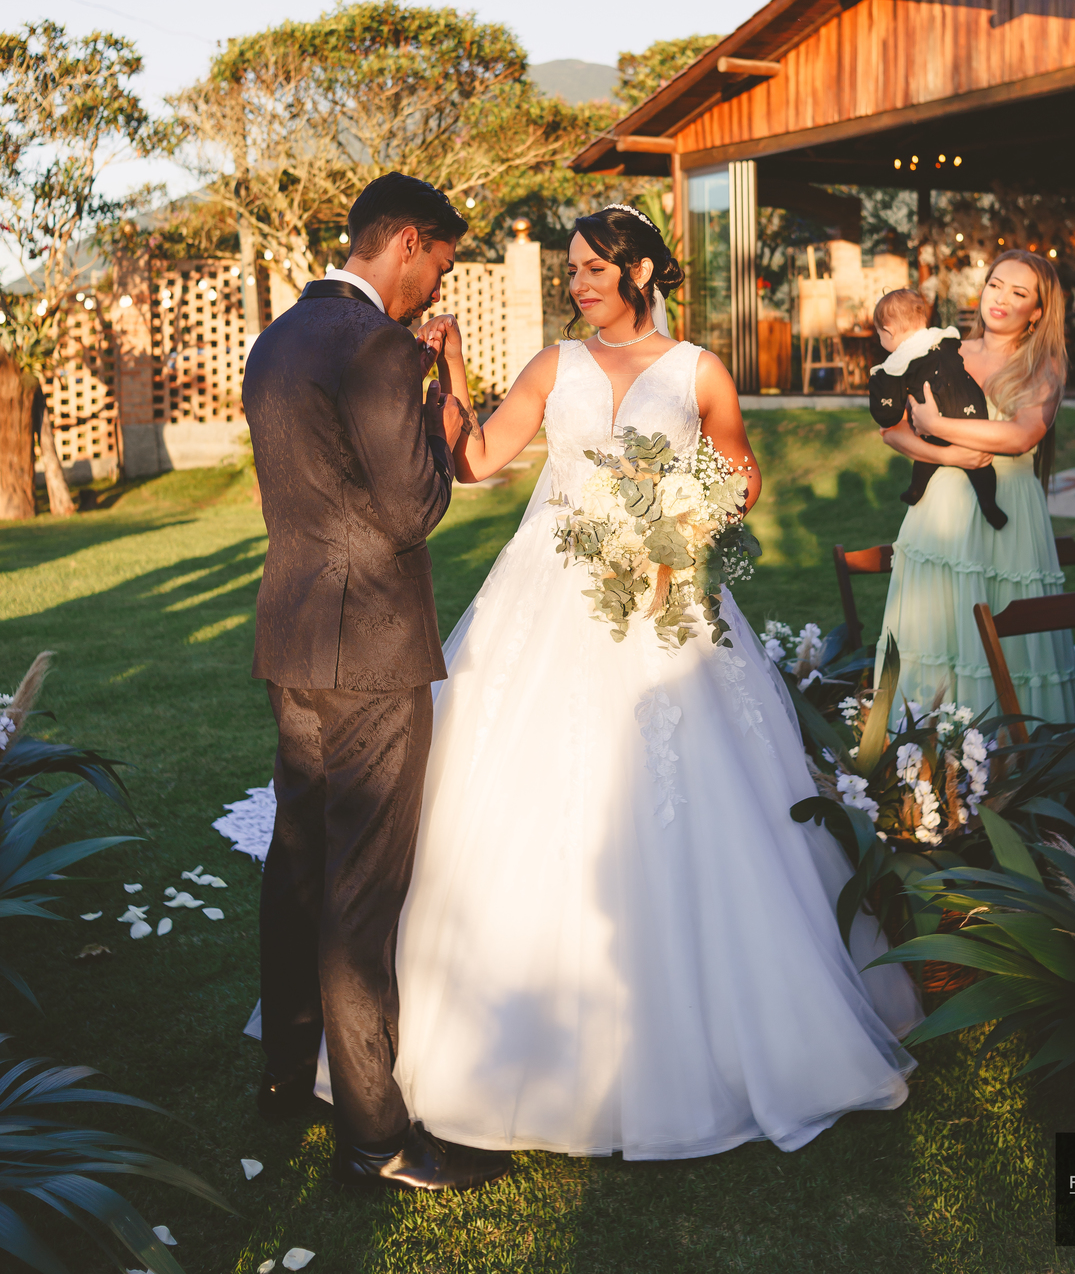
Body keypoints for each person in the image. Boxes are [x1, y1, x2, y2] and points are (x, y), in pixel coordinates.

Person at [388, 204, 921, 1161]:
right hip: (549, 589)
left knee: (697, 792)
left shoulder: (696, 369)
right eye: (572, 270)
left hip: (666, 595)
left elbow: (741, 473)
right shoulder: (554, 365)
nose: (578, 284)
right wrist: (453, 372)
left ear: (638, 272)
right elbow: (476, 461)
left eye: (593, 268)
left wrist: (686, 523)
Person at [241, 173, 510, 1196]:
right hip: (371, 655)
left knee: (298, 861)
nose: (438, 282)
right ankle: (376, 1139)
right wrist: (439, 395)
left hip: (293, 636)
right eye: (440, 260)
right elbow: (413, 511)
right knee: (362, 888)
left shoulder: (276, 339)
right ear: (405, 242)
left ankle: (284, 1073)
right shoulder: (382, 349)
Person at [874, 251, 1075, 724]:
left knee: (1009, 629)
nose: (1001, 299)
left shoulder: (1043, 364)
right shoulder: (941, 350)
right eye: (995, 285)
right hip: (940, 510)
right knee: (937, 629)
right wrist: (950, 454)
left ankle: (1014, 754)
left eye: (1019, 293)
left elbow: (1022, 435)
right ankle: (931, 752)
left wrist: (938, 425)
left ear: (1038, 311)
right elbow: (892, 430)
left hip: (1010, 513)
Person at [867, 288, 1007, 529]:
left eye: (880, 336)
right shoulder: (942, 337)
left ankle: (916, 489)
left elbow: (889, 412)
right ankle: (989, 504)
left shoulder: (899, 359)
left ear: (888, 331)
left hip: (937, 422)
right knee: (982, 469)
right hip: (972, 413)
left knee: (925, 457)